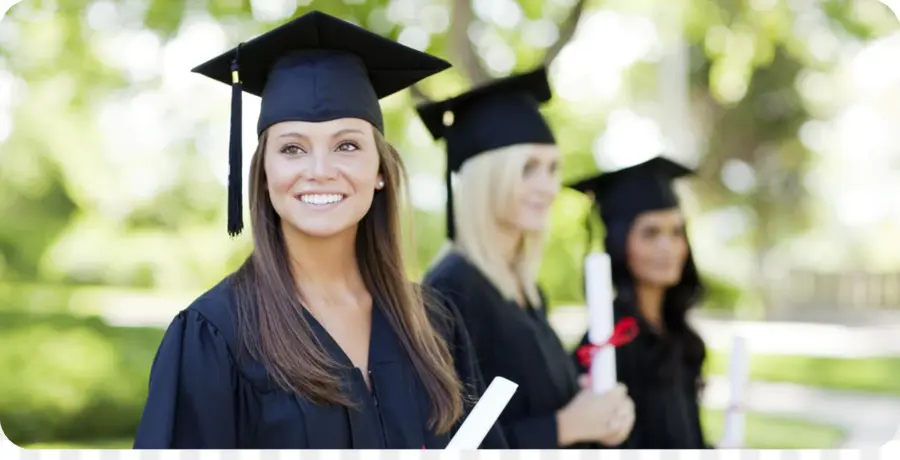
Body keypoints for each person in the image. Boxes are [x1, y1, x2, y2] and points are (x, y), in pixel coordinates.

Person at [132, 11, 508, 449]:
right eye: (292, 148)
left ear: (379, 171)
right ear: (265, 173)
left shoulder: (433, 322)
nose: (320, 170)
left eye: (347, 146)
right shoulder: (215, 336)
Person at [417, 67, 635, 449]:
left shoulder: (525, 289)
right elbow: (451, 444)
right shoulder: (449, 292)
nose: (548, 187)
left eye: (552, 169)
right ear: (488, 176)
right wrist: (566, 425)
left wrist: (590, 404)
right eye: (529, 168)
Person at [568, 155, 711, 449]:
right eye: (650, 233)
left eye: (676, 232)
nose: (667, 247)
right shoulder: (606, 344)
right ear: (620, 244)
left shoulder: (677, 333)